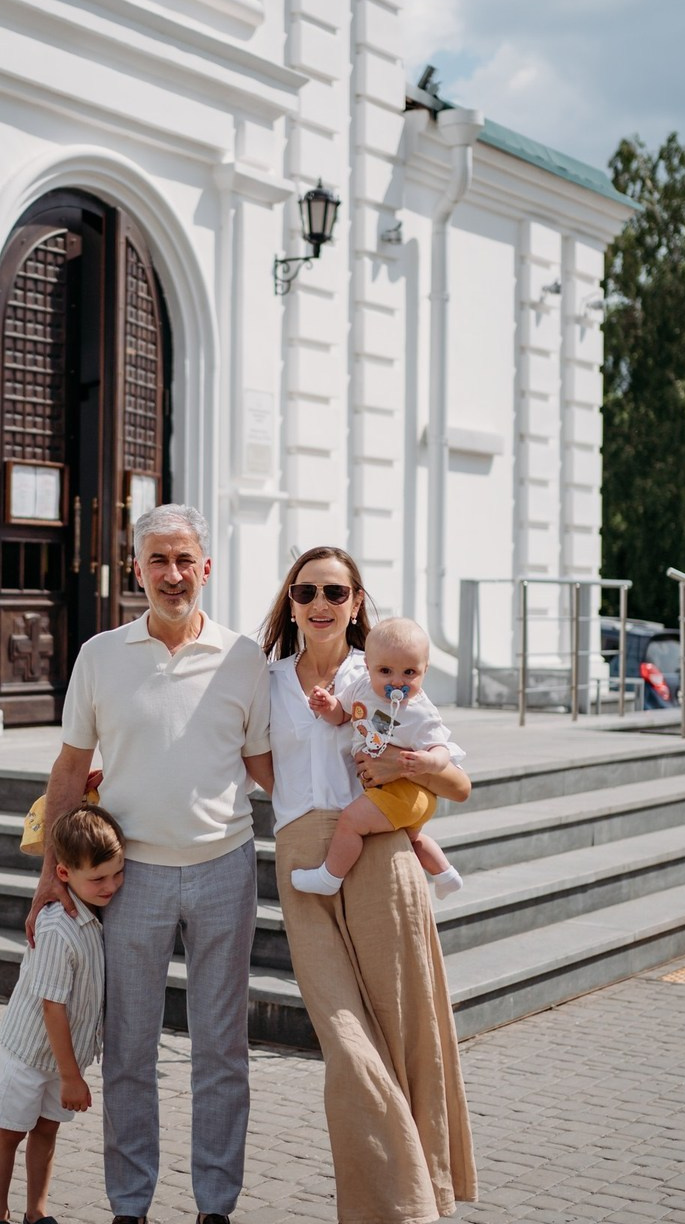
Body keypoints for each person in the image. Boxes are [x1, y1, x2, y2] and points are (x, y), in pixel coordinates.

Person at [26, 504, 272, 1224]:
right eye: (157, 561)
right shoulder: (100, 655)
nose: (172, 574)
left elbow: (265, 765)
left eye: (184, 559)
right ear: (137, 570)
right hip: (130, 879)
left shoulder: (243, 657)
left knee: (221, 1050)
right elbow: (71, 769)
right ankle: (129, 1206)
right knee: (130, 1049)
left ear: (206, 566)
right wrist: (51, 876)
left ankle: (215, 1206)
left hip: (225, 866)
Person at [259, 546, 477, 1222]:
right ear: (290, 603)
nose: (319, 603)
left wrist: (409, 765)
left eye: (335, 591)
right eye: (305, 592)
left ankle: (411, 1202)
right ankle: (406, 1201)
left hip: (382, 856)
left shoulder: (383, 670)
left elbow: (458, 783)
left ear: (356, 603)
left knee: (407, 1032)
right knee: (348, 1044)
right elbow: (245, 760)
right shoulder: (263, 682)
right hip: (304, 862)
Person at [0, 805, 127, 1224]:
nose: (112, 886)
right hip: (31, 1056)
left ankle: (37, 1212)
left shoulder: (96, 915)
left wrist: (69, 1070)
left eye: (117, 873)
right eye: (98, 878)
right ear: (63, 874)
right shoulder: (56, 927)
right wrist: (70, 1076)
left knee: (47, 1132)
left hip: (64, 1059)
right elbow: (52, 1006)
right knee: (10, 1132)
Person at [293, 616, 464, 900]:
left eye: (410, 672)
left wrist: (427, 761)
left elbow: (442, 749)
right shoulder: (361, 688)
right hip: (400, 798)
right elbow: (343, 715)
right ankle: (446, 875)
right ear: (367, 666)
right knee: (413, 838)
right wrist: (328, 705)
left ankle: (329, 877)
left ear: (425, 670)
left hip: (404, 790)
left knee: (350, 822)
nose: (397, 681)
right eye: (385, 671)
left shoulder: (421, 712)